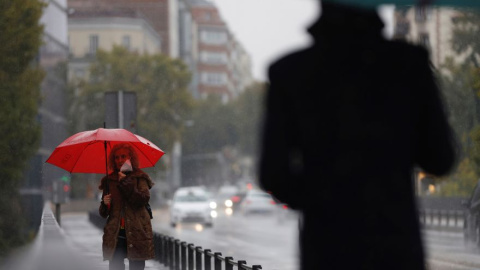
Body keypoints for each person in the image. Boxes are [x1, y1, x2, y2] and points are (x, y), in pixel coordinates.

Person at [259, 1, 457, 270]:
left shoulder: (289, 72)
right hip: (396, 248)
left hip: (327, 250)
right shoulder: (409, 65)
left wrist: (321, 200)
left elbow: (272, 172)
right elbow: (440, 158)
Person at [99, 143, 155, 270]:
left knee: (136, 267)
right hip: (116, 234)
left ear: (130, 157)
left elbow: (143, 199)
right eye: (116, 157)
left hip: (137, 232)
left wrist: (125, 182)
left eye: (123, 156)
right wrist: (104, 203)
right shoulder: (109, 180)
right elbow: (103, 213)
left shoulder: (140, 177)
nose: (119, 160)